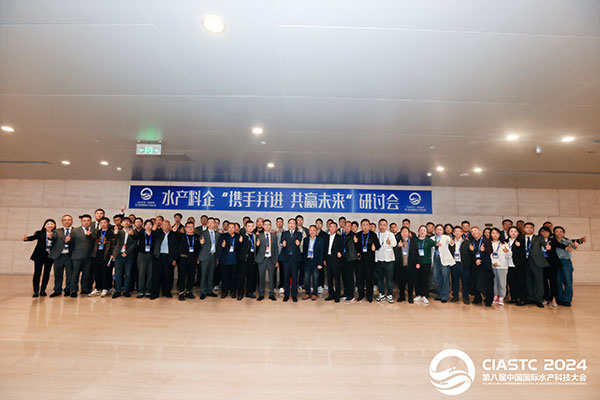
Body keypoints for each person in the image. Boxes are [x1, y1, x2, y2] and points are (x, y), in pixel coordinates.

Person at [23, 218, 56, 297]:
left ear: (54, 225)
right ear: (45, 226)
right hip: (39, 256)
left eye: (52, 224)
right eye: (48, 224)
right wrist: (26, 239)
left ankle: (43, 290)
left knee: (46, 274)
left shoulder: (56, 234)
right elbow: (32, 238)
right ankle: (36, 291)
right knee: (37, 273)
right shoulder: (40, 233)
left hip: (50, 256)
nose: (50, 225)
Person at [353, 218, 381, 303]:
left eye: (366, 225)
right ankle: (361, 295)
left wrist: (375, 247)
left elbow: (378, 245)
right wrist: (355, 242)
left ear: (369, 226)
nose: (365, 227)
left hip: (369, 260)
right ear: (361, 226)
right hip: (360, 260)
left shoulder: (373, 235)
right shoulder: (358, 235)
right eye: (363, 225)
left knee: (369, 279)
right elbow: (355, 248)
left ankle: (369, 296)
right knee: (360, 279)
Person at [111, 217, 138, 298]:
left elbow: (134, 244)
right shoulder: (118, 232)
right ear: (121, 223)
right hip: (119, 255)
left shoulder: (133, 232)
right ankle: (117, 291)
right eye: (124, 221)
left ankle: (126, 291)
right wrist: (115, 234)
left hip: (129, 255)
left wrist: (127, 252)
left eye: (128, 221)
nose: (126, 223)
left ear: (130, 223)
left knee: (128, 273)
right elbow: (114, 242)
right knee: (118, 274)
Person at [69, 214, 95, 297]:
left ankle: (84, 289)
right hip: (77, 256)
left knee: (86, 274)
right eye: (84, 221)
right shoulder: (75, 231)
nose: (86, 222)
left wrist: (89, 236)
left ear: (90, 221)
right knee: (75, 274)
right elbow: (71, 244)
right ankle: (73, 290)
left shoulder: (94, 231)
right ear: (81, 222)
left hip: (88, 257)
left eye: (88, 221)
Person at [48, 214, 73, 297]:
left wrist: (70, 241)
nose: (67, 221)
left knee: (70, 274)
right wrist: (50, 236)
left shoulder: (75, 231)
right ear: (62, 222)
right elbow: (53, 237)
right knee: (58, 274)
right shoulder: (57, 231)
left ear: (72, 221)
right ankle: (57, 290)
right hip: (59, 256)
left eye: (69, 219)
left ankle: (68, 289)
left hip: (70, 256)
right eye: (65, 220)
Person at [523, 222, 547, 308]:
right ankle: (530, 298)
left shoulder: (539, 238)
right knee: (528, 281)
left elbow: (546, 245)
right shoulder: (521, 238)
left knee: (538, 281)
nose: (529, 229)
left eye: (531, 228)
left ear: (533, 229)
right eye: (527, 227)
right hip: (525, 262)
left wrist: (548, 246)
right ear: (524, 229)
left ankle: (538, 299)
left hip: (537, 262)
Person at [152, 219, 178, 299]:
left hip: (168, 257)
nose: (166, 226)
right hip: (158, 257)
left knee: (167, 276)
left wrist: (174, 259)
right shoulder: (158, 233)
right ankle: (155, 293)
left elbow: (176, 249)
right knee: (156, 276)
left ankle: (166, 292)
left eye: (167, 225)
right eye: (164, 225)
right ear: (161, 226)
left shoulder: (174, 235)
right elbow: (152, 233)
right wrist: (155, 225)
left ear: (170, 226)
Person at [90, 217, 115, 297]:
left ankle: (105, 288)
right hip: (97, 255)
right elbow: (92, 242)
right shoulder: (97, 232)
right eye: (101, 223)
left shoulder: (111, 233)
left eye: (105, 222)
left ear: (108, 223)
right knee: (97, 272)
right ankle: (98, 288)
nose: (103, 224)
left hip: (107, 255)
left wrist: (112, 254)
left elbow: (113, 245)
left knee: (106, 272)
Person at [553, 226, 579, 306]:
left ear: (563, 233)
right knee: (558, 281)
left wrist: (575, 245)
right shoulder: (552, 241)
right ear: (554, 233)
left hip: (565, 261)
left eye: (561, 231)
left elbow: (573, 247)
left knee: (568, 281)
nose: (559, 233)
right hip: (555, 262)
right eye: (557, 231)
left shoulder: (567, 241)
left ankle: (567, 299)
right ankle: (560, 299)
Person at [469, 226, 494, 307]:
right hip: (476, 265)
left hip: (485, 265)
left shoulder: (486, 240)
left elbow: (490, 251)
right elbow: (472, 254)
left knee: (487, 283)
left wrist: (484, 251)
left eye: (475, 230)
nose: (474, 232)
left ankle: (488, 300)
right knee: (475, 282)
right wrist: (472, 251)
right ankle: (477, 298)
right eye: (472, 231)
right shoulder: (471, 242)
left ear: (479, 231)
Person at [279, 218, 303, 302]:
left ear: (295, 225)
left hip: (295, 259)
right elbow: (282, 240)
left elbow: (299, 239)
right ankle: (286, 295)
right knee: (286, 277)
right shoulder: (284, 233)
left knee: (294, 277)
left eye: (293, 223)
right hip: (286, 258)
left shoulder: (298, 233)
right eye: (290, 223)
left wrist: (298, 242)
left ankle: (294, 295)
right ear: (288, 224)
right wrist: (283, 242)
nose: (292, 225)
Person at [175, 222, 200, 301]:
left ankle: (189, 291)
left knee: (191, 276)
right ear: (185, 228)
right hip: (183, 259)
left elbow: (199, 249)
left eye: (191, 227)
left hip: (193, 260)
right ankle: (181, 292)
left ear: (194, 228)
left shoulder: (197, 237)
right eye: (188, 227)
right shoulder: (180, 236)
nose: (190, 228)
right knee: (182, 276)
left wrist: (198, 258)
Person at [256, 219, 279, 301]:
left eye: (269, 224)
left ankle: (271, 294)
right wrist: (257, 245)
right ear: (263, 226)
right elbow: (255, 248)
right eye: (265, 224)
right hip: (261, 259)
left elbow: (276, 248)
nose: (267, 226)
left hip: (271, 259)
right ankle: (261, 294)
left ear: (271, 226)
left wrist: (276, 260)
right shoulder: (259, 235)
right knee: (261, 277)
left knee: (271, 277)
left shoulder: (274, 236)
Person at [198, 217, 220, 299]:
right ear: (207, 224)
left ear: (215, 224)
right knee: (204, 275)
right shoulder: (203, 233)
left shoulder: (218, 234)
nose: (211, 224)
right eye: (209, 222)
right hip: (205, 256)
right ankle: (203, 291)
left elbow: (218, 246)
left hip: (213, 256)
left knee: (211, 274)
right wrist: (201, 243)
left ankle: (209, 290)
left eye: (212, 222)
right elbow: (200, 243)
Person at [375, 219, 397, 303]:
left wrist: (389, 242)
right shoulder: (376, 235)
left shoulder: (390, 234)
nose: (382, 226)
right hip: (379, 260)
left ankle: (390, 294)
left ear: (386, 226)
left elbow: (394, 244)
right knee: (380, 279)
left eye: (384, 225)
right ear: (378, 225)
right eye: (380, 224)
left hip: (389, 261)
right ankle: (381, 294)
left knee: (389, 279)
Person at [432, 224, 455, 303]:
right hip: (435, 259)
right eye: (437, 229)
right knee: (437, 277)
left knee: (445, 278)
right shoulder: (432, 238)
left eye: (440, 229)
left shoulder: (446, 237)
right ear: (435, 230)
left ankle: (445, 296)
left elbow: (451, 243)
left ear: (443, 231)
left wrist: (452, 242)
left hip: (444, 260)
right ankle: (439, 294)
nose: (438, 231)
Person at [236, 220, 258, 300]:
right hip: (243, 260)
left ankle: (249, 293)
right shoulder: (241, 236)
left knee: (250, 277)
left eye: (252, 226)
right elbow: (237, 248)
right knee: (241, 278)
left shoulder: (255, 236)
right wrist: (239, 242)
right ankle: (240, 293)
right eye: (248, 226)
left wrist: (257, 245)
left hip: (252, 260)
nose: (250, 228)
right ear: (245, 227)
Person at [449, 226, 471, 304]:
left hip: (464, 264)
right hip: (454, 264)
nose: (457, 233)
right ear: (453, 233)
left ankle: (465, 297)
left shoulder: (467, 242)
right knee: (455, 281)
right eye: (456, 231)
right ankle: (455, 296)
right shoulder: (450, 242)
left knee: (465, 281)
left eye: (459, 231)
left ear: (462, 233)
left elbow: (470, 253)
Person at [135, 219, 156, 298]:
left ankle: (148, 290)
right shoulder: (141, 233)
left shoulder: (154, 234)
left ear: (152, 226)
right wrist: (132, 233)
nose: (148, 226)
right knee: (141, 273)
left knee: (150, 273)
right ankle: (141, 290)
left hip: (151, 255)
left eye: (150, 224)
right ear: (144, 225)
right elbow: (134, 237)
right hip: (142, 255)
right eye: (146, 224)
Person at [218, 223, 240, 298]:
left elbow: (240, 248)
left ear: (235, 228)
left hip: (235, 260)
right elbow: (219, 246)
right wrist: (222, 245)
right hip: (225, 260)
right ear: (227, 228)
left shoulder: (238, 236)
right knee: (224, 277)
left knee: (234, 277)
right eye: (229, 227)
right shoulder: (223, 236)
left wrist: (240, 242)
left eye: (232, 227)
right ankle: (224, 292)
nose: (231, 229)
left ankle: (233, 292)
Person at [302, 225, 324, 300]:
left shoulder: (320, 240)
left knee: (315, 278)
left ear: (316, 231)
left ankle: (314, 293)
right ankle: (308, 293)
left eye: (314, 230)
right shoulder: (306, 239)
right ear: (309, 231)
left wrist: (320, 263)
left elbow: (322, 252)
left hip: (316, 262)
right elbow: (304, 251)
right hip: (307, 261)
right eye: (311, 230)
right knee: (307, 279)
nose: (312, 232)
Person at [397, 226, 418, 303]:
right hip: (401, 265)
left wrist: (417, 262)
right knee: (401, 282)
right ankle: (402, 296)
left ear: (409, 233)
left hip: (411, 265)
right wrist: (398, 247)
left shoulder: (413, 241)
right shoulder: (398, 241)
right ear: (401, 233)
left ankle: (410, 297)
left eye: (406, 231)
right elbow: (394, 253)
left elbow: (416, 252)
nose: (404, 233)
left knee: (410, 282)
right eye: (403, 232)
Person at [324, 222, 344, 302]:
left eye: (334, 227)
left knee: (337, 278)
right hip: (328, 259)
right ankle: (331, 294)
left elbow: (342, 247)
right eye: (331, 226)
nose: (332, 228)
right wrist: (324, 259)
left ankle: (337, 295)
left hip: (336, 259)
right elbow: (324, 249)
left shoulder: (340, 237)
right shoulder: (326, 237)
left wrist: (340, 252)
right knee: (329, 278)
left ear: (336, 228)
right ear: (328, 228)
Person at [490, 228, 511, 306]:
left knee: (502, 282)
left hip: (502, 266)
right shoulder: (489, 243)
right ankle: (495, 295)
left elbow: (509, 255)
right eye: (493, 233)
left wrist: (507, 252)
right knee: (494, 282)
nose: (495, 235)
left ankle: (501, 297)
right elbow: (490, 254)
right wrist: (493, 262)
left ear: (499, 234)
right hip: (493, 266)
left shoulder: (504, 244)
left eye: (497, 233)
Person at [507, 226, 527, 306]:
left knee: (521, 282)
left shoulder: (521, 241)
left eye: (515, 231)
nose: (513, 233)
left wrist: (520, 246)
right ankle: (513, 298)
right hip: (509, 264)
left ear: (518, 233)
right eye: (511, 231)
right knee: (512, 282)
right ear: (508, 233)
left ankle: (522, 299)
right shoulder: (505, 241)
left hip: (519, 264)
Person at [539, 226, 559, 307]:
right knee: (544, 281)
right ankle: (546, 297)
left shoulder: (553, 240)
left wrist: (566, 248)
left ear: (549, 233)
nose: (545, 233)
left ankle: (554, 298)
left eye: (546, 231)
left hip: (552, 263)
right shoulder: (538, 240)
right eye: (543, 231)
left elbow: (560, 245)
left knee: (553, 281)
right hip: (542, 263)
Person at [414, 226, 435, 304]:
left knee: (425, 279)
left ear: (426, 232)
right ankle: (418, 295)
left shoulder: (429, 240)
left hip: (426, 262)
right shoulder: (415, 240)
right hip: (417, 263)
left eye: (424, 230)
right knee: (417, 279)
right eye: (421, 230)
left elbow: (437, 244)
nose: (422, 232)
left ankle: (424, 295)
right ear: (418, 231)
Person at [342, 221, 358, 302]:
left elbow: (358, 246)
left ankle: (351, 295)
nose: (347, 227)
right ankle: (346, 293)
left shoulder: (354, 235)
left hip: (351, 258)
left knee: (350, 277)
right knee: (344, 277)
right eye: (346, 226)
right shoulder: (343, 235)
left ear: (351, 227)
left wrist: (356, 242)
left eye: (349, 226)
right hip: (343, 258)